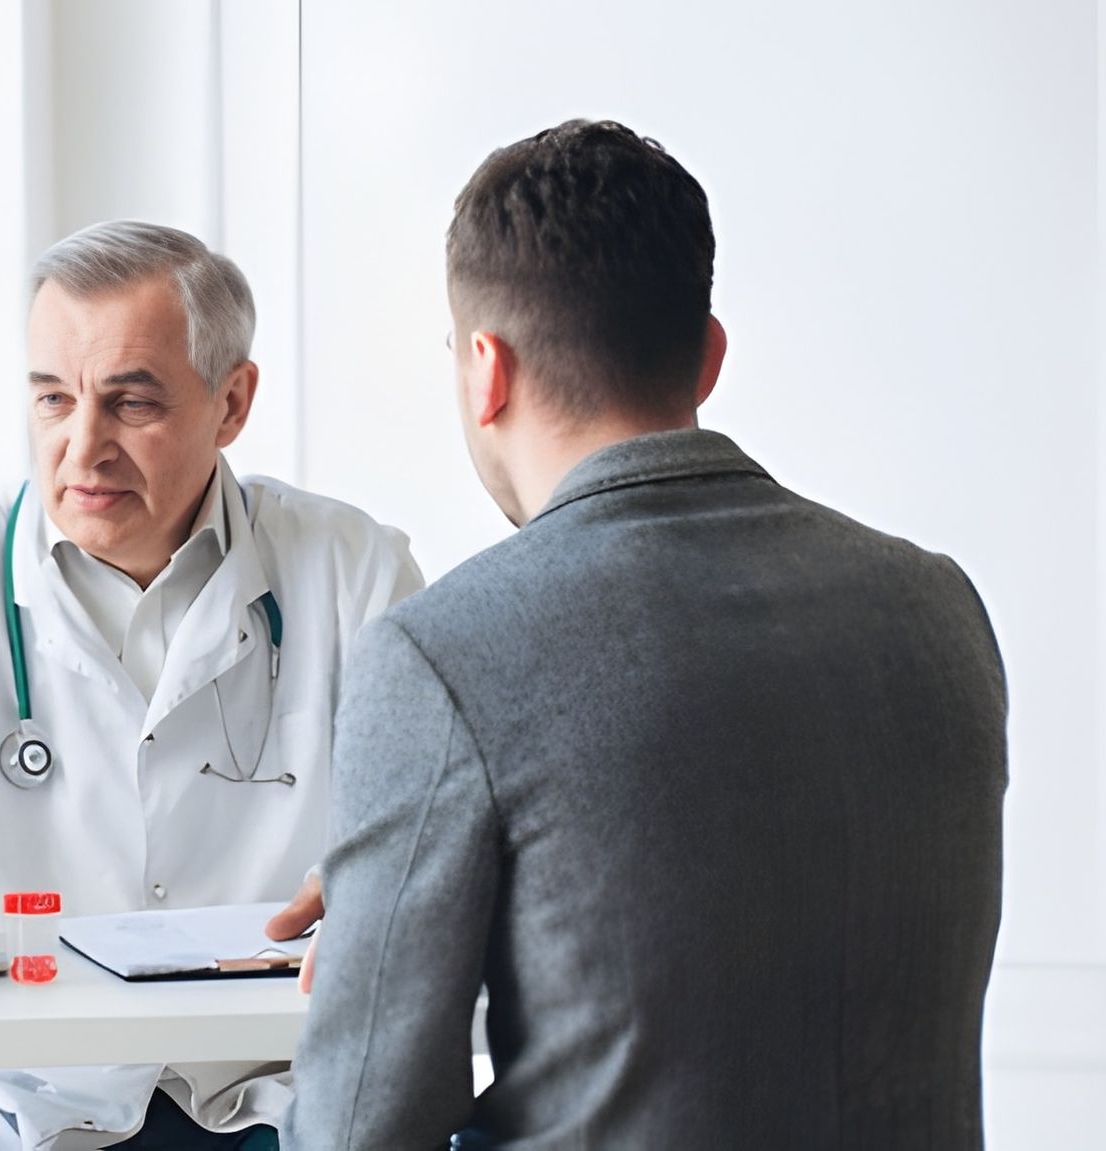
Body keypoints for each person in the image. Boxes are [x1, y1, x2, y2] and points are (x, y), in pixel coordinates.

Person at [281, 120, 1008, 1150]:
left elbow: (361, 1129)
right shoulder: (940, 608)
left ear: (485, 369)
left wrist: (383, 918)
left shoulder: (441, 656)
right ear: (707, 356)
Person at [0, 220, 424, 1149]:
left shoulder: (354, 572)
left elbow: (417, 830)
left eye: (131, 403)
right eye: (54, 400)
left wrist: (379, 883)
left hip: (271, 1082)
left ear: (233, 403)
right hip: (20, 1093)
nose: (83, 447)